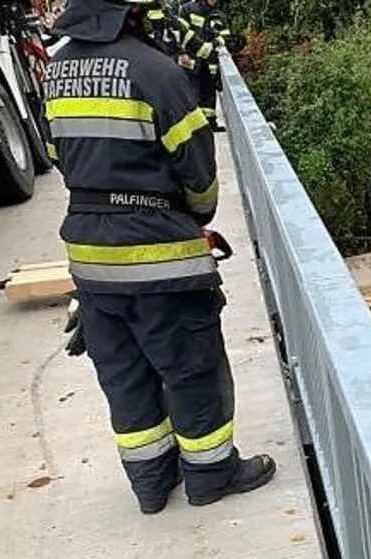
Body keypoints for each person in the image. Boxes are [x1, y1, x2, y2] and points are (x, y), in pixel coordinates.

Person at [42, 0, 276, 514]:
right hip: (160, 257)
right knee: (191, 367)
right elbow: (199, 175)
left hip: (90, 258)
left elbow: (58, 156)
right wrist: (188, 213)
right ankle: (211, 474)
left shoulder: (55, 70)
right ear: (130, 13)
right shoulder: (156, 70)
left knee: (124, 374)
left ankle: (151, 484)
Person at [174, 0, 231, 131]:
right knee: (191, 93)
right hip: (190, 60)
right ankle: (192, 127)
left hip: (210, 61)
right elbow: (179, 32)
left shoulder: (219, 15)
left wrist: (215, 45)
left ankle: (209, 124)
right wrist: (181, 53)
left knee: (209, 93)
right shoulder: (188, 9)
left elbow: (225, 37)